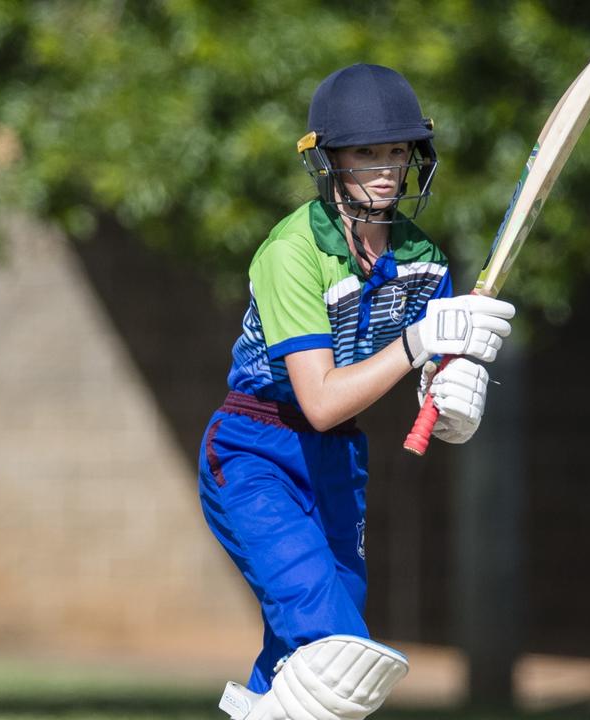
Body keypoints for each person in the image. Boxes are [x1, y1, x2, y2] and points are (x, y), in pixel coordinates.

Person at [198, 64, 516, 720]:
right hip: (257, 450)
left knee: (322, 671)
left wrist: (456, 389)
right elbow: (319, 400)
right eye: (366, 152)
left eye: (397, 151)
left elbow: (439, 382)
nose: (385, 169)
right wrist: (417, 345)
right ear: (329, 161)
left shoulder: (423, 258)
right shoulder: (293, 251)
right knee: (332, 647)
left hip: (338, 460)